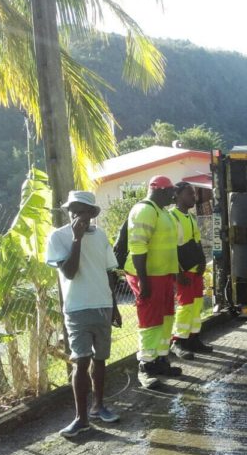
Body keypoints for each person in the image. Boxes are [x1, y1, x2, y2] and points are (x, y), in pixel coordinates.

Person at [46, 191, 121, 437]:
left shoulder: (100, 236)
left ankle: (99, 406)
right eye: (73, 210)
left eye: (82, 210)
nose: (77, 214)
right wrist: (76, 240)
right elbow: (69, 272)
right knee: (81, 360)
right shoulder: (59, 237)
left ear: (92, 213)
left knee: (100, 359)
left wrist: (115, 306)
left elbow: (109, 273)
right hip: (77, 307)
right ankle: (81, 418)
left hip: (102, 305)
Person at [124, 175, 181, 388]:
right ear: (158, 190)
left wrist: (173, 272)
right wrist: (144, 281)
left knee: (166, 318)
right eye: (170, 192)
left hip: (163, 275)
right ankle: (145, 367)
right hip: (148, 276)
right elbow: (138, 247)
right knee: (150, 321)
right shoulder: (144, 210)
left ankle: (160, 360)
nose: (173, 195)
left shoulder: (162, 212)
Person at [170, 181, 212, 359]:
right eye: (189, 194)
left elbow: (196, 242)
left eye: (193, 194)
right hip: (183, 270)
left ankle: (193, 338)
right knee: (185, 306)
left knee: (196, 305)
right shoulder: (172, 217)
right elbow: (170, 247)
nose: (193, 197)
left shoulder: (191, 217)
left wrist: (202, 262)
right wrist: (178, 272)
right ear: (178, 195)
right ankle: (178, 341)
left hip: (195, 269)